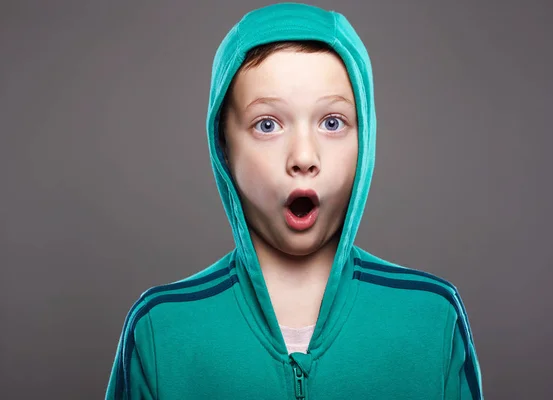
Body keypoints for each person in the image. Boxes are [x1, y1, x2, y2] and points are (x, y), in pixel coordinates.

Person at [105, 3, 483, 399]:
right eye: (267, 125)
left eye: (332, 122)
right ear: (223, 145)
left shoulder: (430, 318)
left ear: (365, 140)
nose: (303, 157)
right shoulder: (162, 329)